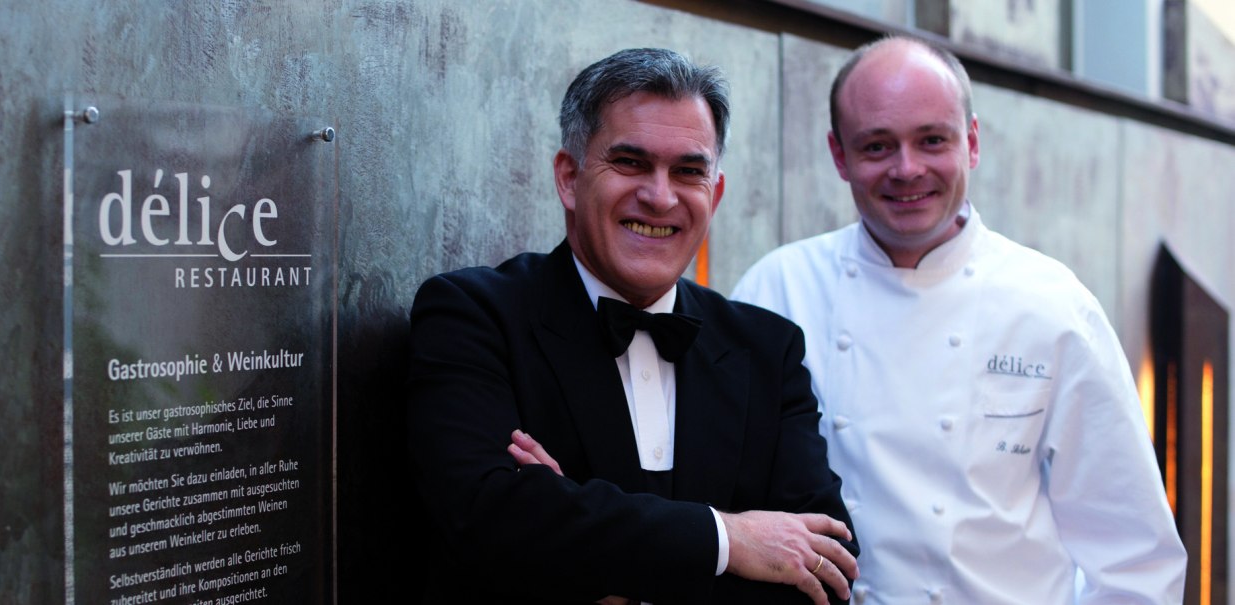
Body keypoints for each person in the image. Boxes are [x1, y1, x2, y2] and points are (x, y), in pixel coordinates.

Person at [731, 36, 1186, 603]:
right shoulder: (777, 291)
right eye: (877, 146)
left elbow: (1133, 554)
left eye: (931, 140)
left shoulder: (1052, 306)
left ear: (971, 142)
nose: (907, 169)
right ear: (839, 155)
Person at [407, 48, 859, 605]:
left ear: (714, 195)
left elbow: (827, 568)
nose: (660, 195)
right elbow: (487, 521)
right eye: (630, 162)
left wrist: (580, 543)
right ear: (569, 179)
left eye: (689, 171)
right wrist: (730, 540)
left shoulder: (769, 348)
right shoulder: (473, 316)